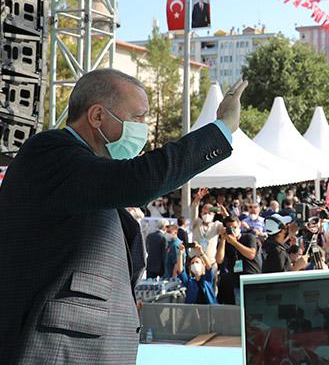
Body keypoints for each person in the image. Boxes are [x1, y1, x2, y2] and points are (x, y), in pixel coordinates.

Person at [0, 69, 246, 363]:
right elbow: (140, 180)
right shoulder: (50, 152)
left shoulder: (87, 176)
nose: (143, 128)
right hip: (57, 350)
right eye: (138, 117)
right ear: (97, 116)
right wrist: (221, 129)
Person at [216, 216, 262, 305]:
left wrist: (234, 242)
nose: (233, 230)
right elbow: (219, 260)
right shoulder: (226, 242)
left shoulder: (249, 237)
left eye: (235, 227)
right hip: (237, 282)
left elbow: (251, 254)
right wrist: (223, 239)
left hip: (252, 278)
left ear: (239, 225)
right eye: (230, 228)